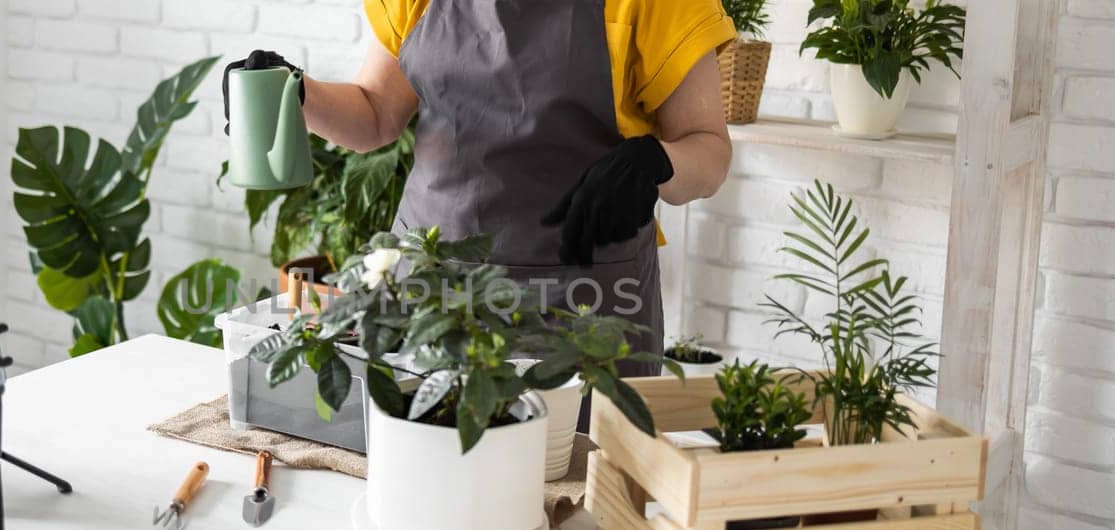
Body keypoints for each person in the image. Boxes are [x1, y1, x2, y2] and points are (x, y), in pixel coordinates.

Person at [229, 0, 736, 386]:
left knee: (583, 495)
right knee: (428, 477)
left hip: (588, 302)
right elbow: (375, 114)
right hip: (433, 294)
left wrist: (657, 161)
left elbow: (708, 152)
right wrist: (296, 92)